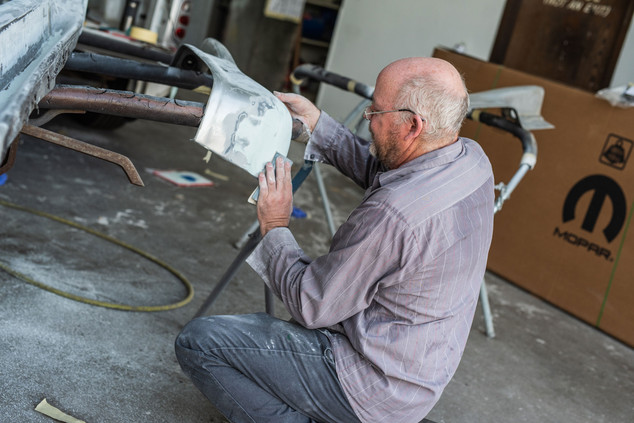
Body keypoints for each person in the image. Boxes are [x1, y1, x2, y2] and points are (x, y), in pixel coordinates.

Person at [175, 57, 495, 423]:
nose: (368, 118)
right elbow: (388, 169)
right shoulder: (470, 160)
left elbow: (313, 304)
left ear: (412, 126)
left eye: (377, 111)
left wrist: (275, 224)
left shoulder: (393, 215)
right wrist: (319, 125)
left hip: (372, 385)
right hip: (418, 369)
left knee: (200, 342)